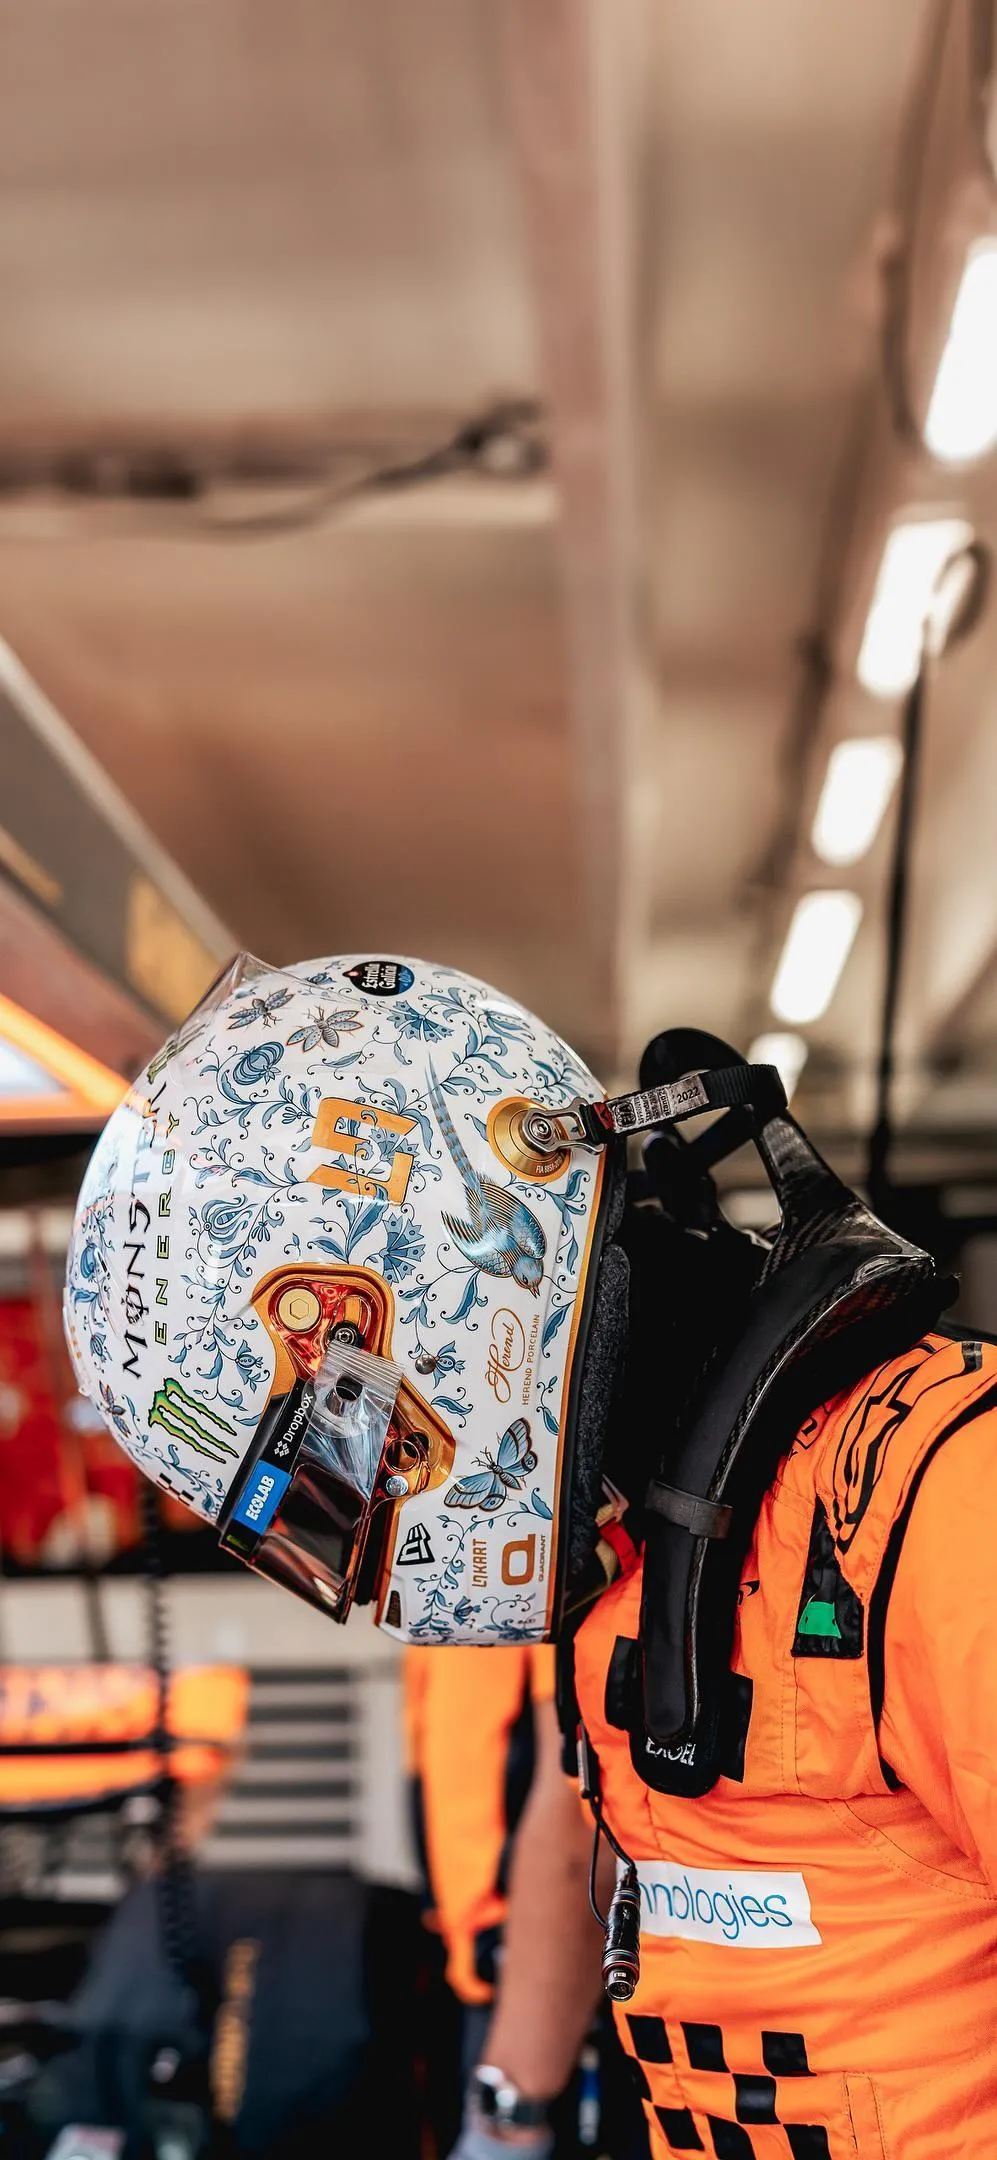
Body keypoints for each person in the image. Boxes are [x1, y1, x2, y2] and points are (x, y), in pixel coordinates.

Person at [65, 951, 997, 2159]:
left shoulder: (944, 1499)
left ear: (432, 1303)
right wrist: (508, 2113)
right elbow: (590, 1825)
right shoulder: (641, 1549)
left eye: (341, 1465)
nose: (361, 1519)